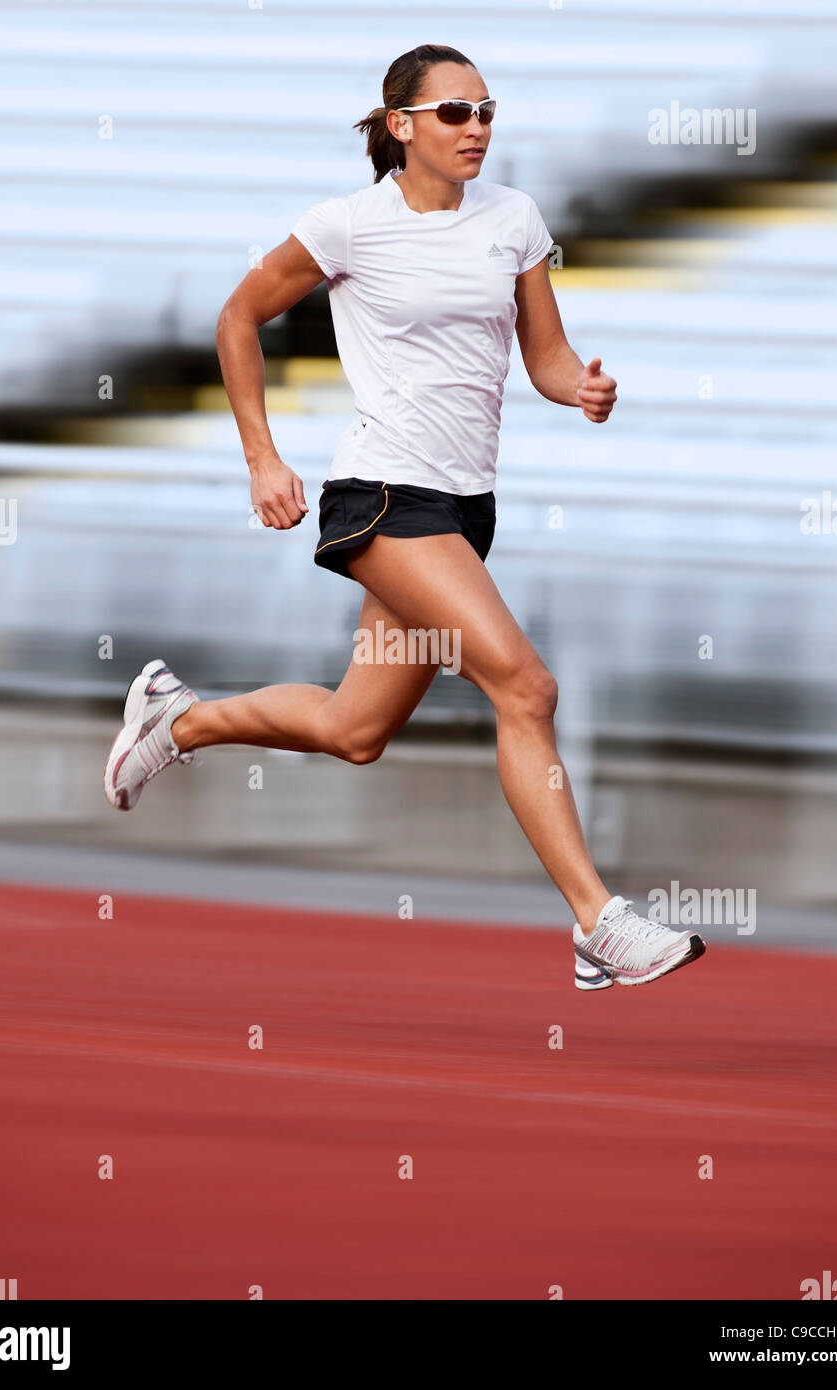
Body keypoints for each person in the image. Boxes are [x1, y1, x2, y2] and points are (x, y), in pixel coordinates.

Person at [103, 44, 705, 990]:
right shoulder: (348, 227)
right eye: (455, 113)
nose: (477, 128)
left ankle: (176, 720)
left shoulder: (514, 219)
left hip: (464, 510)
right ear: (401, 126)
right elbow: (236, 317)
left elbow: (545, 357)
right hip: (383, 499)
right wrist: (262, 455)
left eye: (486, 111)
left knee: (354, 730)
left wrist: (579, 389)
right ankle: (598, 921)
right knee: (525, 687)